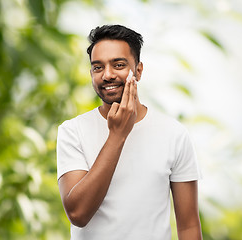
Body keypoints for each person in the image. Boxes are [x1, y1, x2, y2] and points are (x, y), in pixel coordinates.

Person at [57, 24, 202, 240]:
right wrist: (117, 135)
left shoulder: (174, 134)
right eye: (98, 67)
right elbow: (78, 213)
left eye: (118, 65)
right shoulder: (72, 131)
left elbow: (189, 226)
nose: (107, 75)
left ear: (139, 70)